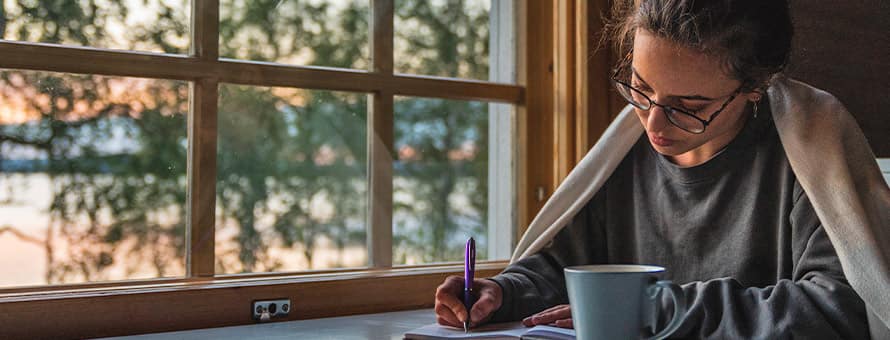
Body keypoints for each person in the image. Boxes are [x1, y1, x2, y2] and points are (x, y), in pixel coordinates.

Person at [434, 0, 886, 338]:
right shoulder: (625, 154)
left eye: (689, 107)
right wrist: (503, 291)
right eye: (640, 87)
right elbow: (567, 266)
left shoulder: (810, 147)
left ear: (755, 88)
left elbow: (840, 309)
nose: (653, 124)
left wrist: (654, 309)